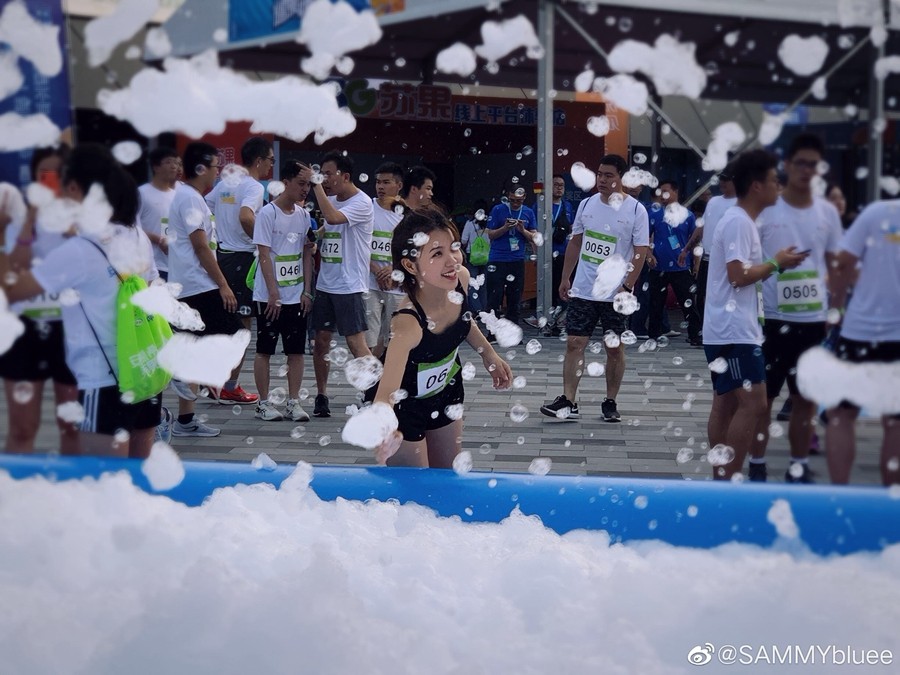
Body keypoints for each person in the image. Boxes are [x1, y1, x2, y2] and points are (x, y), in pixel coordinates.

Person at [0, 143, 161, 458]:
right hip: (143, 370)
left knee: (103, 483)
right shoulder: (135, 234)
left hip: (103, 379)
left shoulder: (81, 249)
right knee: (140, 482)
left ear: (74, 187)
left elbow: (13, 290)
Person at [370, 207, 512, 467]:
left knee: (449, 480)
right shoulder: (408, 322)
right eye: (437, 253)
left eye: (453, 247)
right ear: (410, 265)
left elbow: (464, 320)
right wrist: (384, 427)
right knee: (415, 497)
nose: (452, 260)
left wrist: (489, 354)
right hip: (405, 407)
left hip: (447, 391)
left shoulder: (461, 280)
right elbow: (385, 393)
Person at [701, 149, 808, 481]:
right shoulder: (738, 223)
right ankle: (729, 477)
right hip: (733, 329)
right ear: (757, 186)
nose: (779, 186)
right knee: (754, 404)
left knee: (727, 402)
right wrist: (776, 263)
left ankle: (723, 475)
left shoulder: (740, 221)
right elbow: (738, 275)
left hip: (729, 327)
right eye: (775, 180)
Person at [752, 133, 843, 483]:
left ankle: (798, 464)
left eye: (813, 164)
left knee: (806, 400)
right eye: (800, 163)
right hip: (772, 320)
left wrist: (836, 313)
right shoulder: (767, 210)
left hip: (813, 322)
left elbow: (835, 266)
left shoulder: (826, 213)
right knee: (764, 398)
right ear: (787, 165)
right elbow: (748, 261)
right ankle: (757, 464)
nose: (807, 170)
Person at [540, 154, 649, 422]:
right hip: (584, 289)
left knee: (614, 347)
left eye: (609, 175)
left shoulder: (636, 210)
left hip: (617, 292)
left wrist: (627, 285)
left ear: (621, 178)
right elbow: (576, 242)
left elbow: (641, 250)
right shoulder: (587, 204)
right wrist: (566, 277)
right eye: (599, 174)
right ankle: (568, 400)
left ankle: (610, 401)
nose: (602, 180)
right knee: (575, 342)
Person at [0, 146, 79, 456]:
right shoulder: (17, 216)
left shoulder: (84, 216)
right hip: (24, 330)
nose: (52, 181)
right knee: (22, 427)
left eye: (58, 174)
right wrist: (30, 217)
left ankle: (74, 496)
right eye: (44, 175)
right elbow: (15, 269)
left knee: (72, 424)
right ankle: (14, 499)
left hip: (70, 330)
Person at [167, 142, 246, 438]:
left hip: (191, 283)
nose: (217, 173)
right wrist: (223, 284)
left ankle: (185, 421)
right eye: (215, 167)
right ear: (201, 168)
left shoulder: (191, 197)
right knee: (235, 333)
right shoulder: (189, 199)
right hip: (197, 285)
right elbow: (201, 246)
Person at [825, 199, 900, 485]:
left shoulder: (878, 212)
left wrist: (836, 308)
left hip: (861, 330)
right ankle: (892, 500)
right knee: (895, 420)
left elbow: (842, 264)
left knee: (841, 414)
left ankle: (838, 494)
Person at [204, 136, 274, 405]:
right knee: (242, 328)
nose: (270, 165)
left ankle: (213, 379)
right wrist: (261, 240)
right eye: (270, 160)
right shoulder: (254, 187)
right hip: (244, 260)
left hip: (222, 257)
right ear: (259, 160)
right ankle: (229, 385)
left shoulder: (225, 184)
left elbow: (207, 208)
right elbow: (246, 216)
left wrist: (222, 230)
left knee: (223, 323)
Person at [309, 150, 375, 418]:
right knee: (320, 342)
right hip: (326, 283)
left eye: (328, 174)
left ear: (345, 176)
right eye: (321, 173)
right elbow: (328, 226)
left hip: (349, 285)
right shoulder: (332, 199)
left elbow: (334, 217)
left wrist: (316, 187)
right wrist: (315, 234)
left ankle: (373, 392)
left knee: (356, 344)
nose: (324, 179)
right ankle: (321, 395)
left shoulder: (362, 203)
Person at [252, 160, 316, 422]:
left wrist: (307, 291)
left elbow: (307, 254)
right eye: (301, 184)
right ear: (285, 183)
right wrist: (273, 293)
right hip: (268, 296)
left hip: (295, 296)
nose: (305, 190)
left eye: (309, 185)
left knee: (296, 351)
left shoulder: (303, 216)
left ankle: (293, 401)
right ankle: (263, 403)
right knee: (265, 349)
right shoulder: (268, 214)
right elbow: (264, 254)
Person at [645, 179, 702, 346]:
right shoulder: (654, 213)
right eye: (660, 192)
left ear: (676, 192)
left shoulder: (688, 215)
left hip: (681, 267)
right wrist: (649, 255)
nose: (662, 196)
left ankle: (695, 335)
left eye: (666, 191)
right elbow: (644, 238)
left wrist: (696, 264)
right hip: (658, 266)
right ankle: (653, 335)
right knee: (655, 303)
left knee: (688, 303)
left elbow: (696, 240)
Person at [680, 167, 737, 329]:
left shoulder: (743, 203)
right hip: (708, 258)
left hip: (729, 260)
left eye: (727, 179)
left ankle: (725, 328)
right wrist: (686, 249)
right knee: (702, 297)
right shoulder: (713, 202)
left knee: (727, 298)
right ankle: (706, 330)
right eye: (722, 179)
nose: (723, 182)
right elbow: (701, 227)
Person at [365, 162, 405, 359]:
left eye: (386, 182)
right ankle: (369, 382)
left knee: (394, 336)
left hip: (397, 285)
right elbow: (359, 245)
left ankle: (389, 377)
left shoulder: (406, 214)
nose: (380, 187)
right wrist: (375, 269)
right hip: (369, 282)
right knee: (368, 337)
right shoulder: (366, 207)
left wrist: (392, 268)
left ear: (399, 185)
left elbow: (411, 248)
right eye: (378, 182)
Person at [526, 174, 574, 336]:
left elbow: (572, 229)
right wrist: (536, 254)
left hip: (563, 254)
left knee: (564, 289)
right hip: (546, 254)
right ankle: (547, 322)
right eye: (555, 184)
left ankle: (560, 322)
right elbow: (534, 232)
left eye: (562, 185)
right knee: (548, 289)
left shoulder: (567, 206)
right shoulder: (539, 206)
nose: (559, 187)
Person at [486, 186, 537, 329]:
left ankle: (513, 332)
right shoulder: (498, 209)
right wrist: (505, 228)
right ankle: (492, 331)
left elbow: (534, 237)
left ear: (524, 197)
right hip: (497, 259)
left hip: (517, 260)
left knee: (515, 298)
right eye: (512, 200)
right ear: (508, 197)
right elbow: (490, 234)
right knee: (494, 297)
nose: (515, 204)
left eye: (519, 201)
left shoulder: (528, 212)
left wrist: (522, 230)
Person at [138, 146, 179, 281]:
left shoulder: (178, 196)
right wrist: (159, 239)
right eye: (168, 162)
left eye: (175, 162)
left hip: (176, 266)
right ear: (156, 167)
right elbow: (132, 228)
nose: (174, 166)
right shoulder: (141, 193)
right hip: (153, 266)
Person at [459, 199, 491, 318]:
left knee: (472, 284)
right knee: (483, 286)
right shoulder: (489, 223)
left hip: (472, 257)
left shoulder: (470, 223)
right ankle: (483, 309)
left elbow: (463, 240)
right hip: (486, 257)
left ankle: (477, 309)